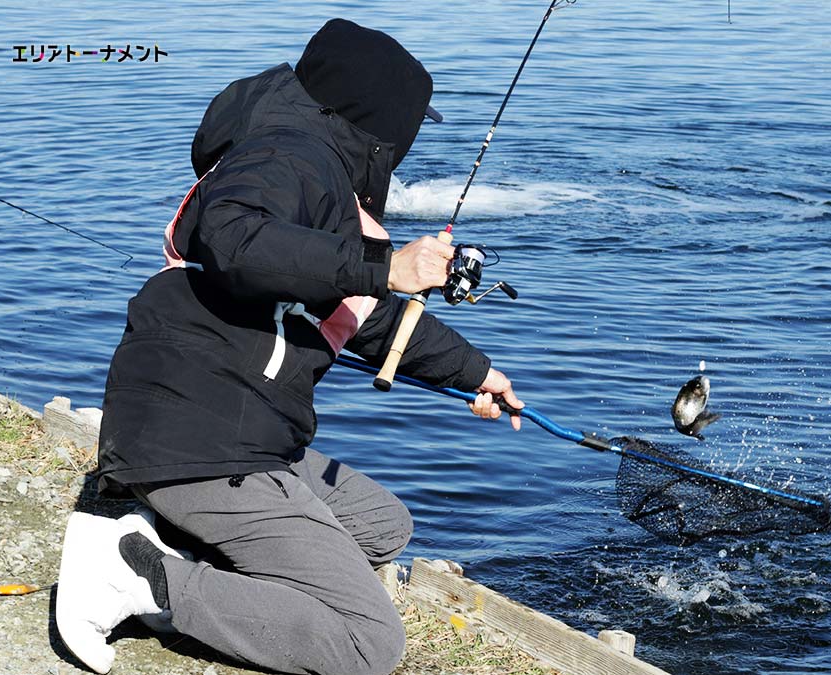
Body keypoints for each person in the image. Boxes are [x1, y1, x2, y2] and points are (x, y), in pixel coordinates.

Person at [55, 19, 523, 675]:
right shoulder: (288, 156)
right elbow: (233, 238)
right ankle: (139, 578)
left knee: (382, 524)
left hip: (232, 431)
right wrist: (386, 265)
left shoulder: (317, 174)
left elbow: (373, 316)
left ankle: (182, 548)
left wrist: (478, 372)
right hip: (202, 441)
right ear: (379, 122)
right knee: (369, 641)